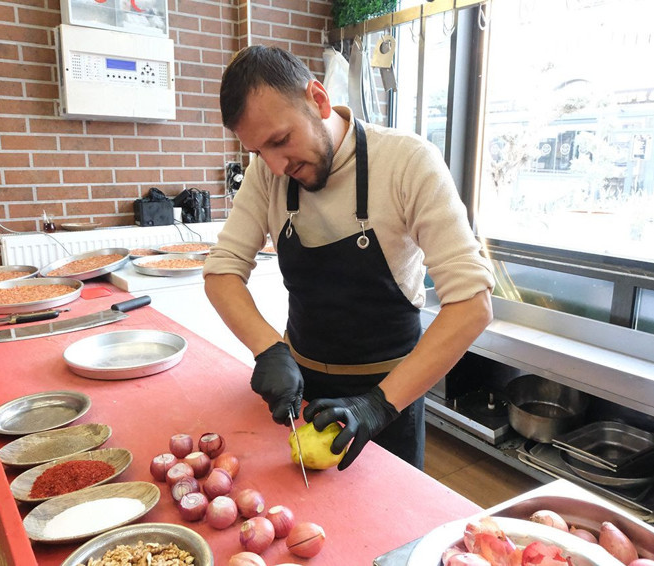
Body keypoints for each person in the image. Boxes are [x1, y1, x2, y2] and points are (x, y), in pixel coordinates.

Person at [203, 45, 494, 471]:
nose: (276, 166)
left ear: (318, 100)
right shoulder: (268, 173)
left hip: (390, 397)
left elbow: (472, 304)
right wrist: (268, 348)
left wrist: (376, 406)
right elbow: (221, 271)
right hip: (302, 393)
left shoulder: (407, 162)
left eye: (281, 141)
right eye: (259, 151)